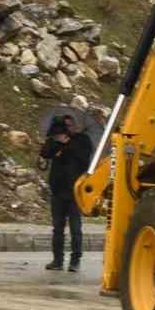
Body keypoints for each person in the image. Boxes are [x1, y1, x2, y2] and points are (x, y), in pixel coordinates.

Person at [41, 113, 94, 272]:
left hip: (75, 191)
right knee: (57, 228)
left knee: (75, 228)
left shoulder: (82, 140)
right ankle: (57, 260)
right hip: (58, 190)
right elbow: (45, 153)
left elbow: (84, 159)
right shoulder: (55, 139)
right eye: (65, 126)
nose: (67, 129)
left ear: (75, 126)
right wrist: (56, 142)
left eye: (69, 126)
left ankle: (75, 261)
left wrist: (68, 144)